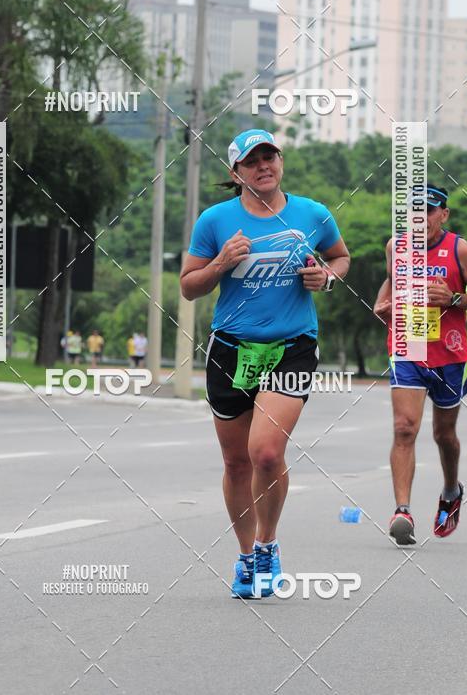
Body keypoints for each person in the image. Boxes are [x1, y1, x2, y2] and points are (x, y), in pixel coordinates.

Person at [180, 129, 350, 599]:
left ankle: (267, 545)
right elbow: (189, 286)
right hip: (231, 349)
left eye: (269, 156)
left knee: (266, 453)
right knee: (236, 463)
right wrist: (220, 263)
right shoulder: (215, 222)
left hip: (292, 345)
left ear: (280, 161)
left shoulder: (312, 214)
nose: (263, 166)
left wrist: (326, 278)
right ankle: (245, 556)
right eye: (252, 161)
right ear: (236, 173)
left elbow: (340, 257)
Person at [374, 185, 467, 546]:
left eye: (428, 210)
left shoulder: (460, 249)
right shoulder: (395, 247)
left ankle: (450, 489)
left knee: (444, 435)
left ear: (444, 214)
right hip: (407, 347)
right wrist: (382, 305)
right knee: (404, 427)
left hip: (449, 353)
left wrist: (455, 298)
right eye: (413, 211)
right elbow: (391, 286)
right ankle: (402, 511)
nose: (420, 218)